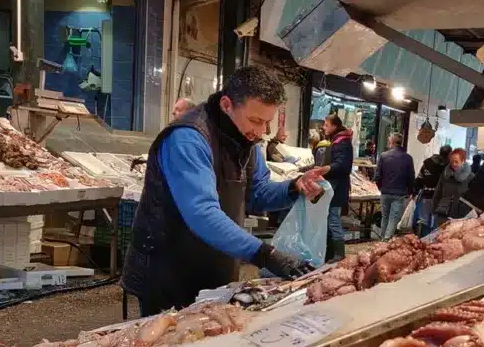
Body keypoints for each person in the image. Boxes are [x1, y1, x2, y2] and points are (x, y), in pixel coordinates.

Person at [122, 66, 328, 316]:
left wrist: (293, 187)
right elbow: (202, 213)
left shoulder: (247, 141)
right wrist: (265, 254)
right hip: (169, 272)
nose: (261, 131)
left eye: (266, 123)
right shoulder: (188, 138)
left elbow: (257, 194)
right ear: (227, 104)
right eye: (255, 120)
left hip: (215, 268)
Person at [318, 113, 353, 261]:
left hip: (337, 189)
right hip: (333, 187)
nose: (324, 127)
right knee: (329, 219)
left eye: (326, 125)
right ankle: (330, 253)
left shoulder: (342, 143)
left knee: (333, 220)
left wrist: (324, 169)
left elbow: (342, 166)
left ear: (334, 126)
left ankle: (339, 255)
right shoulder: (336, 141)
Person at [374, 132, 415, 241]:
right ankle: (386, 240)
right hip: (399, 193)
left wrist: (381, 188)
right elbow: (411, 177)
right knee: (393, 218)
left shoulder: (383, 156)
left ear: (391, 142)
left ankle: (383, 239)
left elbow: (377, 176)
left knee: (385, 217)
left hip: (385, 192)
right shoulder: (408, 158)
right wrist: (410, 191)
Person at [432, 148, 473, 228]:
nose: (453, 164)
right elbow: (438, 192)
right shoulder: (445, 175)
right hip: (443, 213)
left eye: (456, 162)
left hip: (461, 216)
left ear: (463, 161)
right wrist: (434, 209)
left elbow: (473, 198)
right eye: (451, 162)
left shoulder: (470, 177)